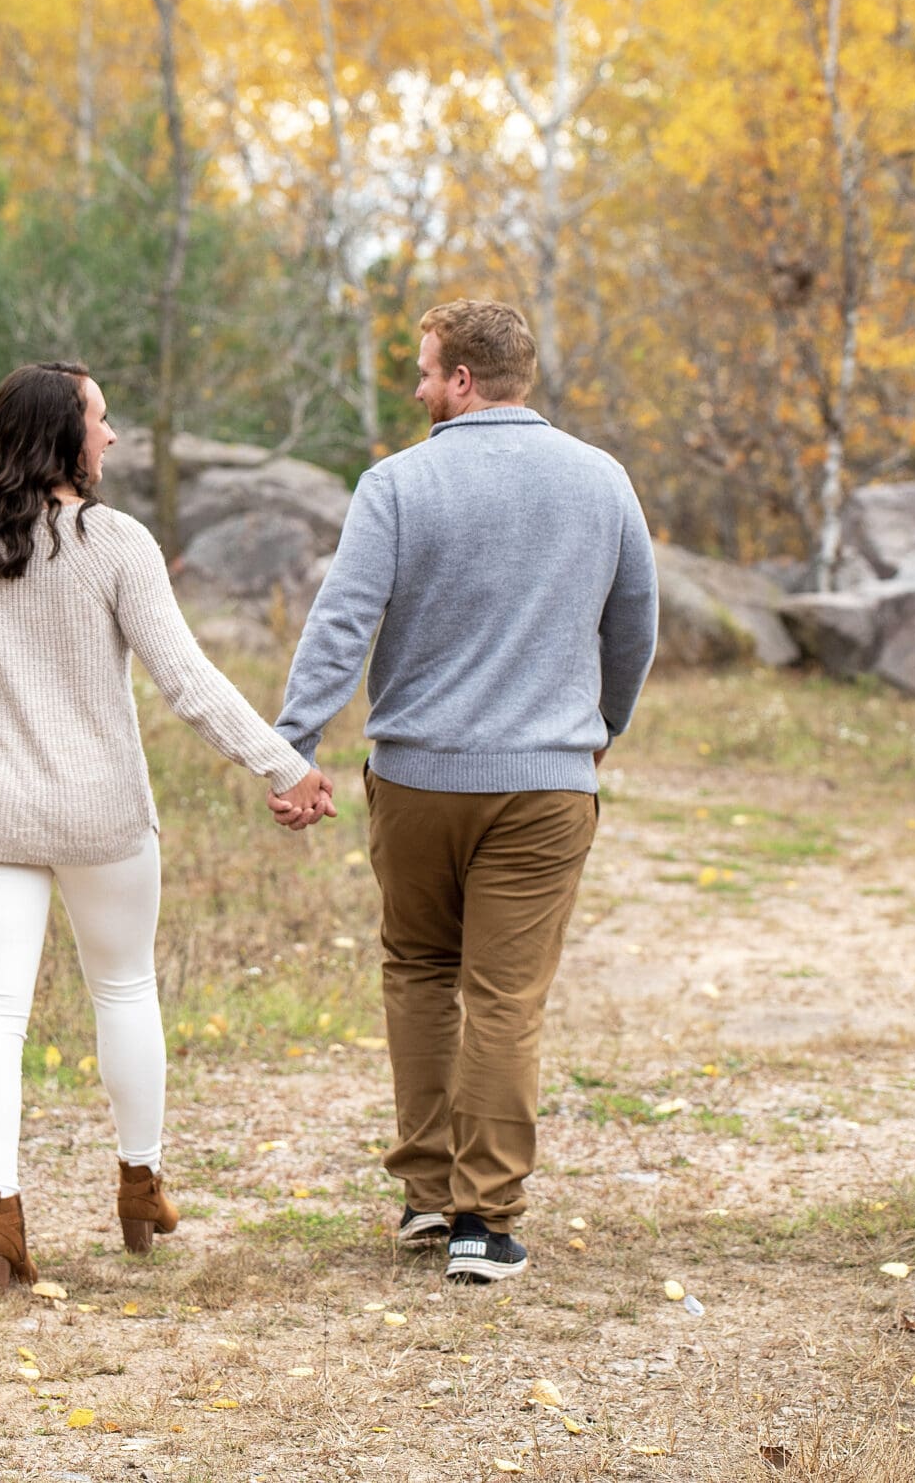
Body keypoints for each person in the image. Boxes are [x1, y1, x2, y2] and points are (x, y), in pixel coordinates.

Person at [0, 360, 336, 1289]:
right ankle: (140, 1184)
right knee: (123, 989)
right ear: (62, 438)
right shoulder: (114, 543)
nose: (112, 436)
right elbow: (187, 682)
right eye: (101, 421)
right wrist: (286, 765)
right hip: (100, 813)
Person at [272, 299, 657, 1285]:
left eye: (426, 369)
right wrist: (598, 728)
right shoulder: (601, 481)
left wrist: (292, 743)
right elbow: (633, 627)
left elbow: (342, 618)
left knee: (418, 971)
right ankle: (485, 1223)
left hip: (416, 777)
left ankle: (428, 1196)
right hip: (545, 783)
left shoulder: (397, 484)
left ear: (464, 381)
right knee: (504, 996)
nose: (415, 387)